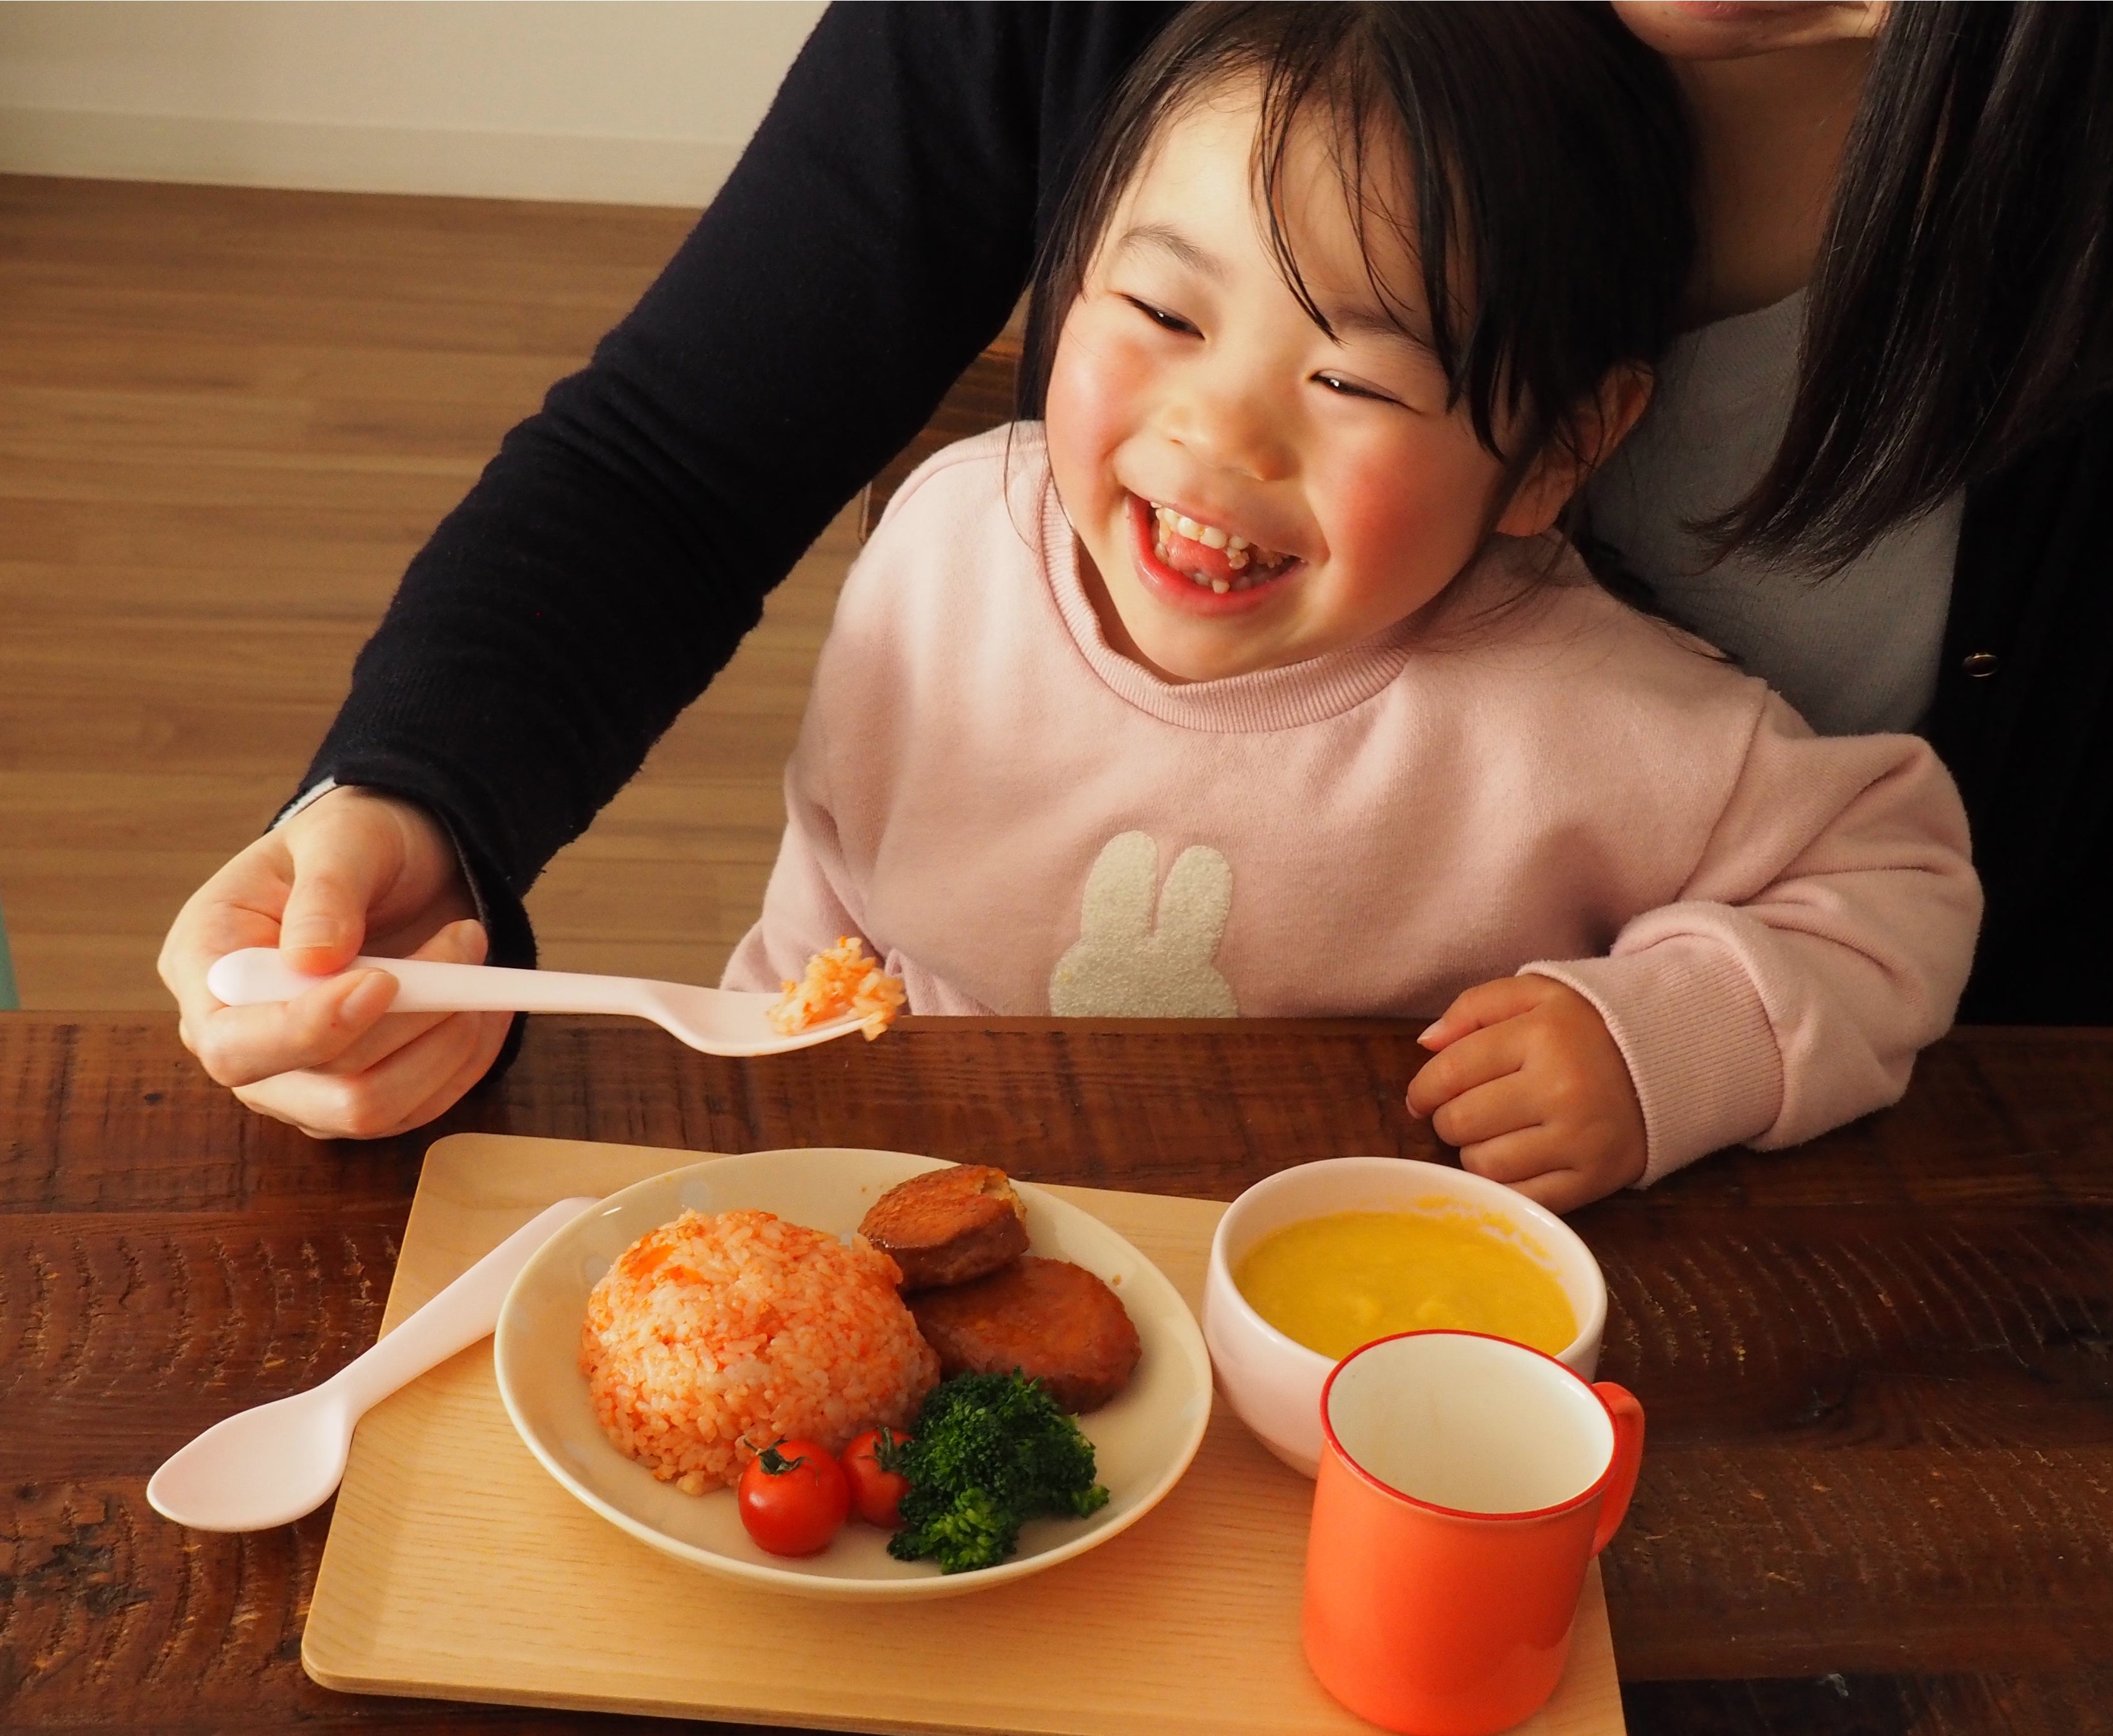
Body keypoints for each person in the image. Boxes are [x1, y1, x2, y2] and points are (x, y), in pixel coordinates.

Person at [159, 2, 2113, 1145]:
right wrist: (408, 813)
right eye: (1176, 309)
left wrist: (1672, 1083)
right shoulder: (963, 548)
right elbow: (671, 459)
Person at [714, 4, 1977, 1210]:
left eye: (1350, 380)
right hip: (934, 1242)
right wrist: (755, 1117)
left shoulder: (1587, 711)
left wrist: (1659, 1046)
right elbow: (826, 896)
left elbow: (1896, 881)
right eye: (1163, 311)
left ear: (1559, 449)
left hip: (1360, 1331)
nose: (1221, 432)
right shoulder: (950, 549)